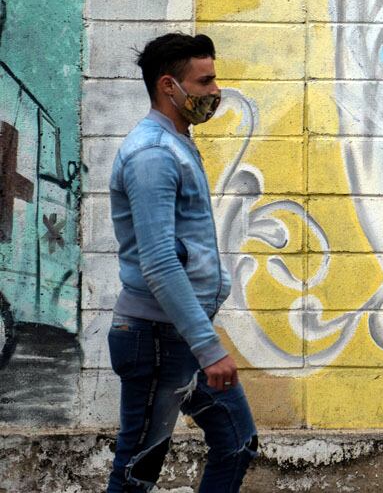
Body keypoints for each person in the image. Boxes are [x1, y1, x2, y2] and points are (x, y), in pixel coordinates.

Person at [106, 33, 257, 491]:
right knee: (137, 468)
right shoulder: (152, 154)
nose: (215, 91)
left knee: (236, 441)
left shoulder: (176, 143)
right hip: (156, 339)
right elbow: (158, 262)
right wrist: (209, 348)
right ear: (169, 86)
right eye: (205, 81)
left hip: (176, 337)